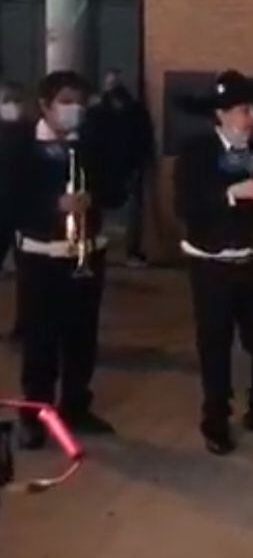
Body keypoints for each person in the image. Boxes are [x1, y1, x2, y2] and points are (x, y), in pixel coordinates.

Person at [173, 70, 253, 455]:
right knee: (215, 342)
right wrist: (232, 193)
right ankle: (215, 420)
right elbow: (186, 206)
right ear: (222, 115)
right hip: (211, 264)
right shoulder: (195, 151)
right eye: (245, 110)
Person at [3, 71, 125, 448]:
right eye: (66, 101)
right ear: (45, 105)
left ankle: (76, 405)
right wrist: (52, 206)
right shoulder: (18, 144)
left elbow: (116, 189)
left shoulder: (90, 143)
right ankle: (34, 415)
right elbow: (8, 200)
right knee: (41, 338)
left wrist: (95, 195)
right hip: (40, 256)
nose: (73, 110)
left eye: (79, 103)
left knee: (81, 336)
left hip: (86, 251)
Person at [87, 69, 154, 267]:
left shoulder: (102, 111)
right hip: (116, 168)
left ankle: (121, 251)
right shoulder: (131, 110)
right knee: (114, 213)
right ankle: (123, 252)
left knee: (126, 214)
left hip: (117, 167)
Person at [0, 81, 30, 342]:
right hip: (16, 209)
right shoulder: (29, 133)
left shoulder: (30, 133)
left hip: (21, 211)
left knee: (27, 273)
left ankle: (23, 325)